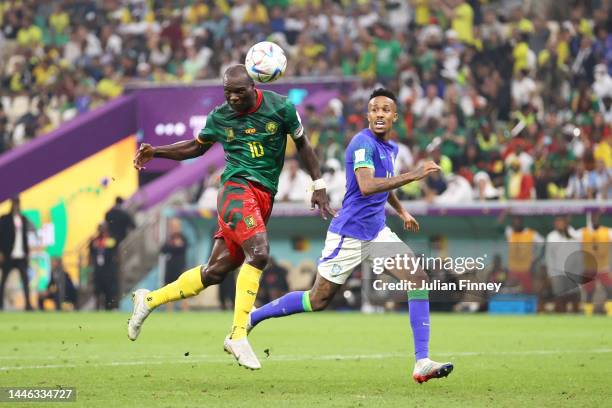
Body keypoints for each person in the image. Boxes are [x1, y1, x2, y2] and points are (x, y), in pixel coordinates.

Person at [128, 65, 333, 370]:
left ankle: (149, 300)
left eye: (239, 91)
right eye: (228, 92)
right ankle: (238, 334)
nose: (233, 98)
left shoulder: (282, 108)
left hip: (264, 196)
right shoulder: (220, 116)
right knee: (260, 254)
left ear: (254, 87)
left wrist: (318, 183)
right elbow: (196, 147)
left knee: (215, 271)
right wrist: (155, 151)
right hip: (237, 189)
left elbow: (302, 144)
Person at [247, 89, 453, 383]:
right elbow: (368, 185)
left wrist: (402, 212)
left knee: (417, 277)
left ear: (395, 116)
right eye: (374, 109)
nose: (380, 114)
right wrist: (414, 175)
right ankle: (254, 316)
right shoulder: (362, 143)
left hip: (377, 230)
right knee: (318, 300)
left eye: (385, 110)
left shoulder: (389, 148)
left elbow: (385, 188)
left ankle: (422, 361)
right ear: (368, 115)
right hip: (350, 234)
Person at [0, 197, 34, 310]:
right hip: (9, 255)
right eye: (14, 203)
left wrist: (27, 253)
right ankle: (0, 304)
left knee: (25, 281)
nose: (16, 206)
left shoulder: (23, 219)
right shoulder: (5, 219)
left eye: (18, 203)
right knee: (3, 281)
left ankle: (28, 305)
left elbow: (25, 238)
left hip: (21, 256)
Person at [578, 212, 612, 316]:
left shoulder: (607, 231)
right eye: (592, 217)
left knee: (609, 289)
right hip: (589, 268)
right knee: (589, 291)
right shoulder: (583, 232)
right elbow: (569, 236)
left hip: (603, 267)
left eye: (596, 216)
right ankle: (588, 313)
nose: (594, 219)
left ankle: (610, 312)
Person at [160, 219, 188, 312]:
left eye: (176, 226)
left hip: (180, 266)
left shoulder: (183, 238)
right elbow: (163, 249)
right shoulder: (169, 238)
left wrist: (175, 247)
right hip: (170, 267)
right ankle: (169, 311)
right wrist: (175, 247)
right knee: (169, 287)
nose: (174, 228)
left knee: (184, 289)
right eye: (172, 226)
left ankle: (184, 310)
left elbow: (183, 248)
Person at [89, 223, 119, 310]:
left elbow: (113, 245)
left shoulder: (110, 239)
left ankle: (109, 307)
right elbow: (91, 249)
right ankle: (97, 308)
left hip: (108, 269)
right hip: (98, 270)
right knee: (97, 290)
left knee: (109, 290)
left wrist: (102, 243)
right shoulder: (95, 240)